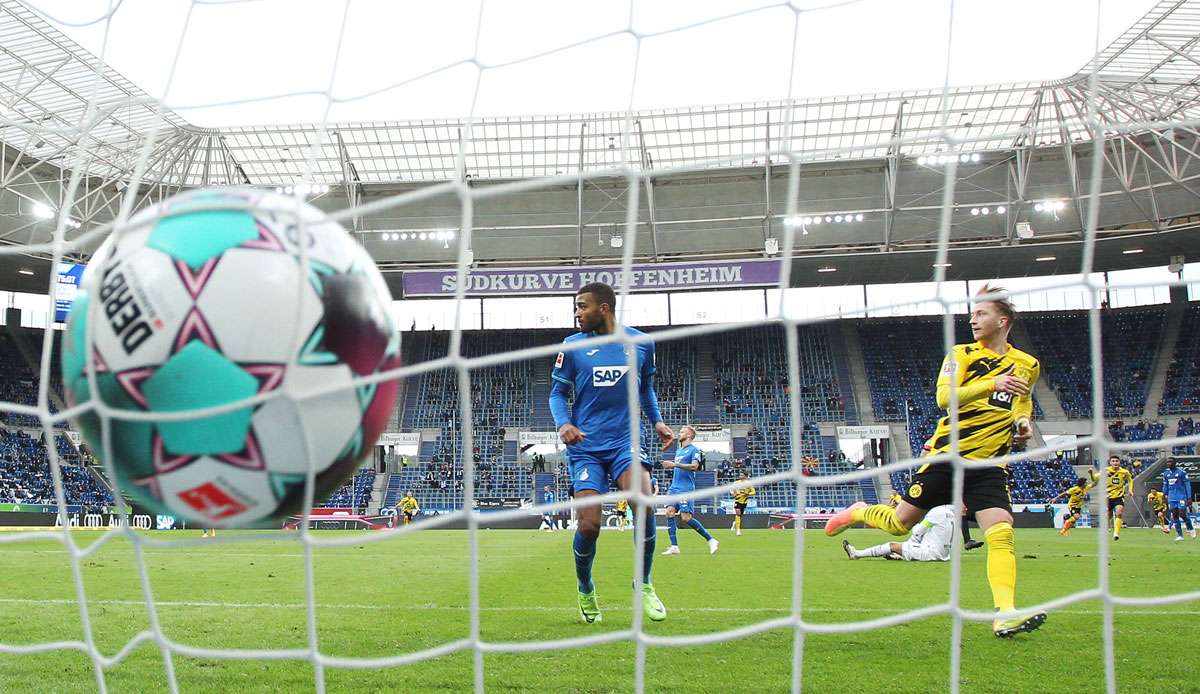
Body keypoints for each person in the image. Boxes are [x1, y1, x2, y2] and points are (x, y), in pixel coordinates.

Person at [825, 285, 1046, 638]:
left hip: (990, 464)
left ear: (1002, 320)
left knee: (1002, 533)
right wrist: (992, 383)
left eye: (981, 313)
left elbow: (1023, 402)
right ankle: (860, 511)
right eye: (972, 314)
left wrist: (1022, 423)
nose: (973, 319)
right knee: (899, 525)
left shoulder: (1027, 364)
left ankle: (1005, 613)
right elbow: (945, 397)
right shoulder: (962, 354)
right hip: (948, 456)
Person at [549, 282, 675, 625]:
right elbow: (557, 394)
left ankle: (645, 583)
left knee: (644, 500)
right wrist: (564, 424)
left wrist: (659, 422)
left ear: (603, 308)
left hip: (625, 441)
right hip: (586, 446)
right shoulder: (572, 346)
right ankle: (585, 586)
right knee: (589, 526)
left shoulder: (640, 343)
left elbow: (645, 389)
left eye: (582, 306)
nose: (577, 313)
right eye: (575, 307)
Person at [661, 426, 718, 556]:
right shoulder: (679, 451)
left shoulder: (694, 450)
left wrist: (675, 464)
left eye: (682, 432)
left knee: (686, 518)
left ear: (689, 435)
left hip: (685, 489)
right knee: (669, 512)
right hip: (674, 488)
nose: (679, 433)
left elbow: (694, 466)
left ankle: (711, 539)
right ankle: (674, 546)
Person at [842, 504, 956, 561]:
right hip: (944, 553)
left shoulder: (936, 512)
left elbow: (918, 531)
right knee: (901, 548)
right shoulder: (951, 514)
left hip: (930, 553)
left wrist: (908, 544)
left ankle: (857, 554)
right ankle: (898, 554)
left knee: (892, 545)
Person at [1048, 469, 1098, 536]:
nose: (1087, 483)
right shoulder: (1074, 489)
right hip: (1072, 505)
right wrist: (1055, 498)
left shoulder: (1086, 488)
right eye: (1085, 482)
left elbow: (1095, 483)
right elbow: (1064, 493)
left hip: (1078, 506)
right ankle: (1063, 530)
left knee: (1074, 520)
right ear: (1082, 483)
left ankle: (1064, 530)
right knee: (1076, 517)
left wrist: (1091, 474)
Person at [1162, 457, 1195, 541]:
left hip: (1181, 496)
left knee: (1182, 514)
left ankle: (1190, 528)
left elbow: (1187, 485)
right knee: (1175, 515)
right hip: (1171, 497)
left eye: (1170, 462)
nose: (1169, 463)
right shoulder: (1166, 473)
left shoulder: (1181, 472)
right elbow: (1165, 485)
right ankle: (1180, 535)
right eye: (1167, 462)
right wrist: (1164, 495)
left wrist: (1189, 497)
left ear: (1175, 463)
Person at [1104, 456, 1133, 541]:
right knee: (1108, 515)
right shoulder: (1106, 470)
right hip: (1108, 496)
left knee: (1119, 513)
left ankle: (1116, 533)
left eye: (1117, 461)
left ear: (1119, 462)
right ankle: (1107, 526)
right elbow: (1096, 477)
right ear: (1110, 463)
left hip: (1119, 496)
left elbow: (1130, 480)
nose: (1115, 462)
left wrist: (1130, 490)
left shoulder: (1124, 472)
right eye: (1113, 461)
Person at [731, 471, 756, 536]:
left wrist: (748, 493)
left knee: (740, 516)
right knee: (738, 514)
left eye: (742, 475)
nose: (740, 476)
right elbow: (731, 490)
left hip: (744, 501)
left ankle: (735, 524)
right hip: (737, 500)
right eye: (740, 475)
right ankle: (738, 530)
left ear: (745, 476)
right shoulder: (736, 483)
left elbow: (754, 492)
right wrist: (733, 493)